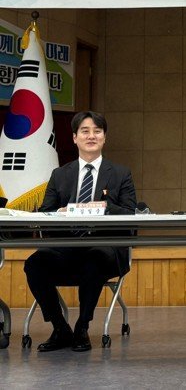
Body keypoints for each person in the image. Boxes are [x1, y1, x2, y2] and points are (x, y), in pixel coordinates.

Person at [24, 110, 137, 353]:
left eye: (97, 131)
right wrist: (61, 212)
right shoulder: (59, 174)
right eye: (85, 131)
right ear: (75, 138)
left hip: (104, 249)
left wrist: (104, 207)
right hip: (66, 248)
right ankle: (60, 328)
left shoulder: (120, 174)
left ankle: (82, 327)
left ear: (104, 137)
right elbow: (45, 213)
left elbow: (131, 215)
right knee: (34, 264)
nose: (91, 136)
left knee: (94, 259)